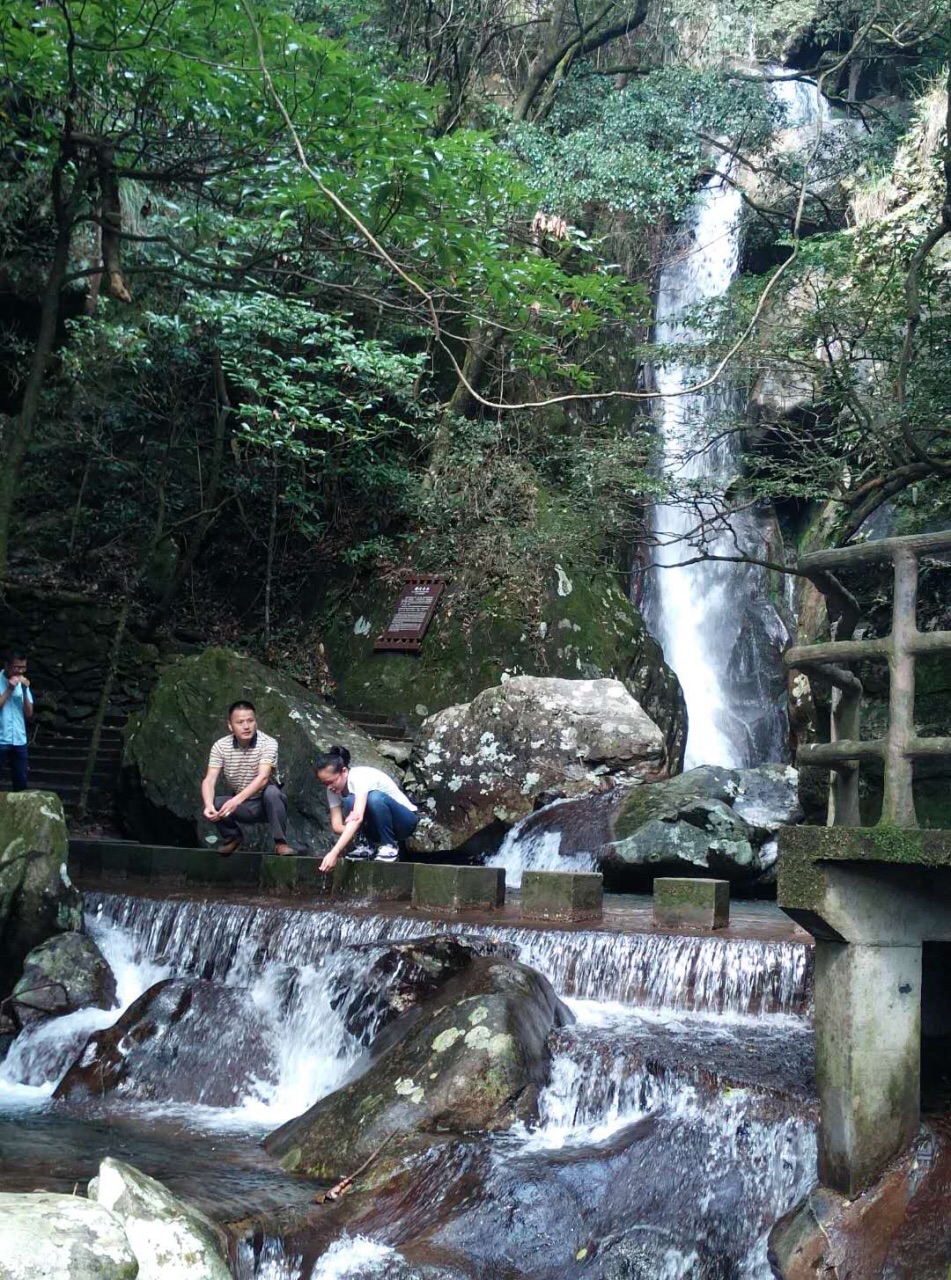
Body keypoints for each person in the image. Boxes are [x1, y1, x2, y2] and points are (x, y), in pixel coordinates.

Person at [201, 700, 294, 856]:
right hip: (242, 805)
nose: (246, 726)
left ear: (255, 722)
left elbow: (263, 777)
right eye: (240, 722)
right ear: (230, 726)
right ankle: (233, 837)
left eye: (250, 721)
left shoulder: (268, 743)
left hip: (266, 804)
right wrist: (208, 804)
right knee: (215, 803)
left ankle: (280, 843)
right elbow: (209, 779)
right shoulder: (220, 746)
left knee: (272, 792)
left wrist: (235, 800)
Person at [316, 745, 418, 872]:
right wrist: (355, 832)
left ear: (344, 771)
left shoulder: (359, 777)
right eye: (325, 784)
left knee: (374, 798)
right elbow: (336, 826)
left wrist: (334, 852)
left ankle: (389, 845)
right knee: (349, 801)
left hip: (404, 821)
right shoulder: (332, 790)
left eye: (331, 781)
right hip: (376, 828)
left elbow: (357, 817)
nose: (329, 787)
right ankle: (365, 846)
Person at [0, 649, 33, 791]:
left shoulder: (23, 684)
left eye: (23, 667)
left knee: (21, 781)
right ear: (7, 665)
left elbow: (29, 713)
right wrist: (9, 690)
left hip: (19, 739)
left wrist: (24, 691)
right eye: (17, 667)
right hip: (1, 739)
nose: (20, 671)